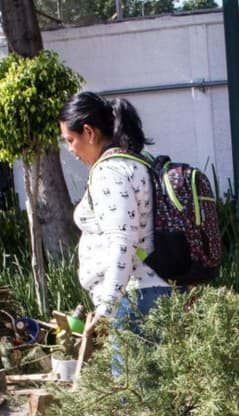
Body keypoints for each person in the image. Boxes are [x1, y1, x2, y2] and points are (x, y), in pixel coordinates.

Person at [58, 91, 175, 344]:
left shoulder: (109, 173)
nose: (70, 150)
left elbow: (123, 241)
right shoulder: (136, 163)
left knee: (131, 384)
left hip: (134, 301)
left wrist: (106, 309)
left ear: (89, 132)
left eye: (70, 140)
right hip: (149, 294)